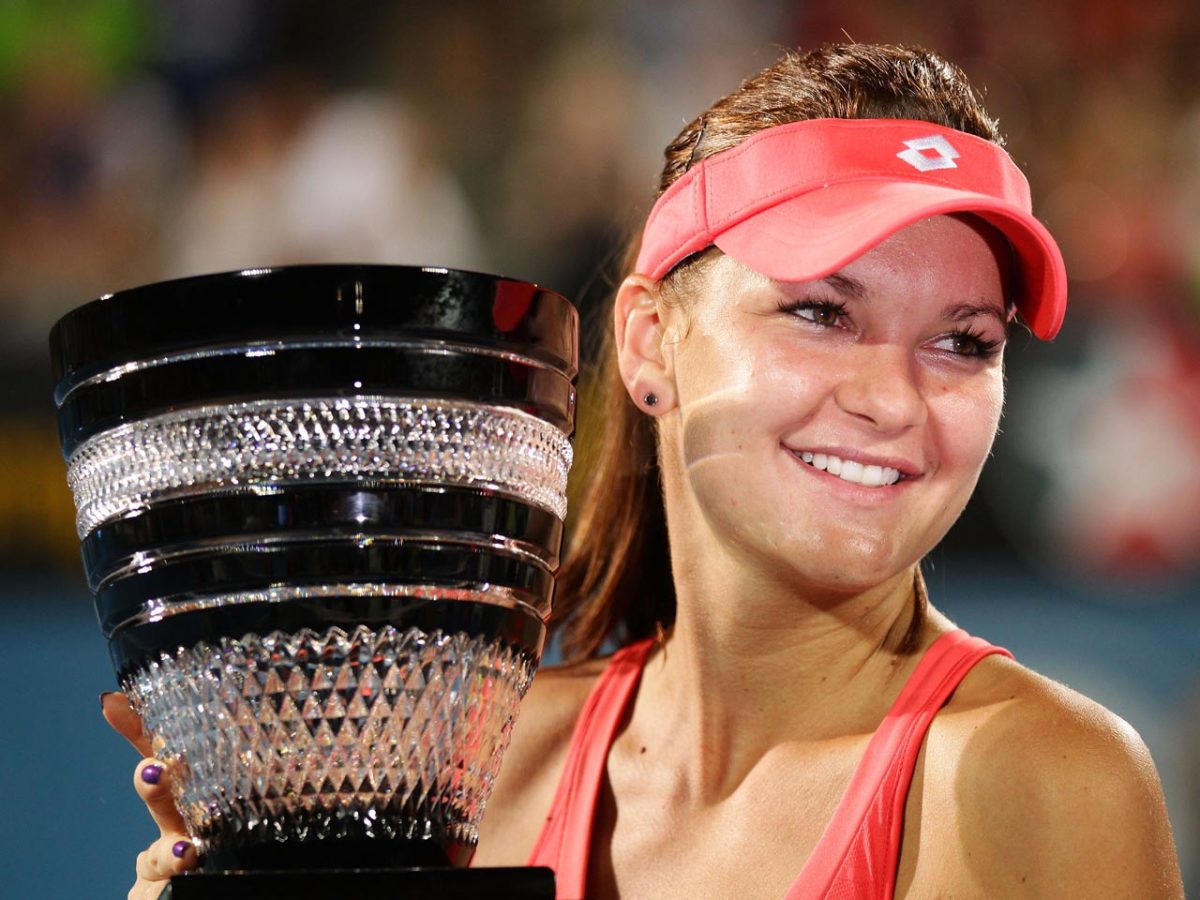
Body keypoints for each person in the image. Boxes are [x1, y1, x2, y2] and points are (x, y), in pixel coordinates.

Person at [103, 43, 1185, 899]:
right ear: (651, 342)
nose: (894, 400)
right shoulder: (484, 769)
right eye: (822, 312)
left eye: (964, 341)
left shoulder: (1048, 780)